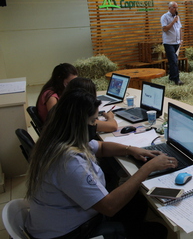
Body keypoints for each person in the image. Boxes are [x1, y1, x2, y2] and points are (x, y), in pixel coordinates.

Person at [25, 88, 176, 239]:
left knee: (137, 203)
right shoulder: (68, 161)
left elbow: (102, 147)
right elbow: (109, 207)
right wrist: (148, 168)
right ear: (77, 123)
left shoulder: (58, 138)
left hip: (65, 219)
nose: (94, 126)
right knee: (157, 231)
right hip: (70, 233)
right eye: (92, 121)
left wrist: (131, 149)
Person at [161, 1, 184, 85]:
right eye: (174, 7)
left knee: (174, 61)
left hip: (176, 43)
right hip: (169, 43)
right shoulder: (165, 17)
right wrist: (173, 21)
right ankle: (176, 79)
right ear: (169, 8)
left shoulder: (177, 17)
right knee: (173, 61)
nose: (176, 9)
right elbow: (165, 29)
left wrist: (181, 40)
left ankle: (171, 77)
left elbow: (180, 29)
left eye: (176, 7)